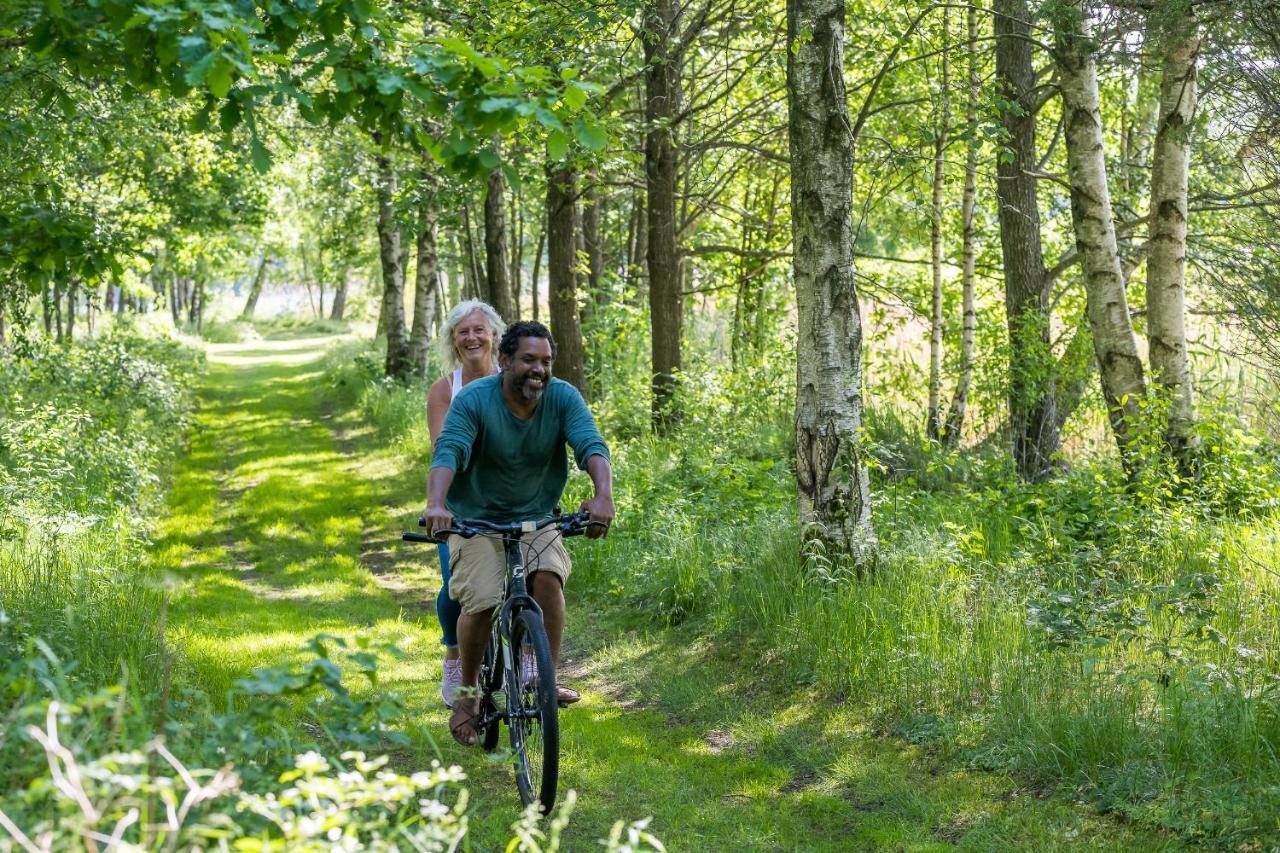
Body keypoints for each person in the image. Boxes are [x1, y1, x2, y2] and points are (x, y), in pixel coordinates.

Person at [424, 320, 614, 747]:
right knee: (485, 597)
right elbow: (449, 449)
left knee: (547, 580)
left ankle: (542, 678)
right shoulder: (475, 399)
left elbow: (591, 445)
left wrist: (603, 496)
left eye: (546, 361)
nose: (539, 369)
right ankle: (469, 696)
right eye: (529, 359)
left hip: (536, 516)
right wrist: (437, 504)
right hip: (474, 518)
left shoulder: (562, 397)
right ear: (505, 360)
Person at [427, 299, 504, 709]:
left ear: (494, 335)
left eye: (479, 329)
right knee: (457, 588)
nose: (472, 337)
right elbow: (443, 447)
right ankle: (455, 655)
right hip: (461, 500)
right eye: (463, 332)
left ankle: (532, 660)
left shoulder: (515, 378)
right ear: (453, 342)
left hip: (511, 497)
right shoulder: (445, 389)